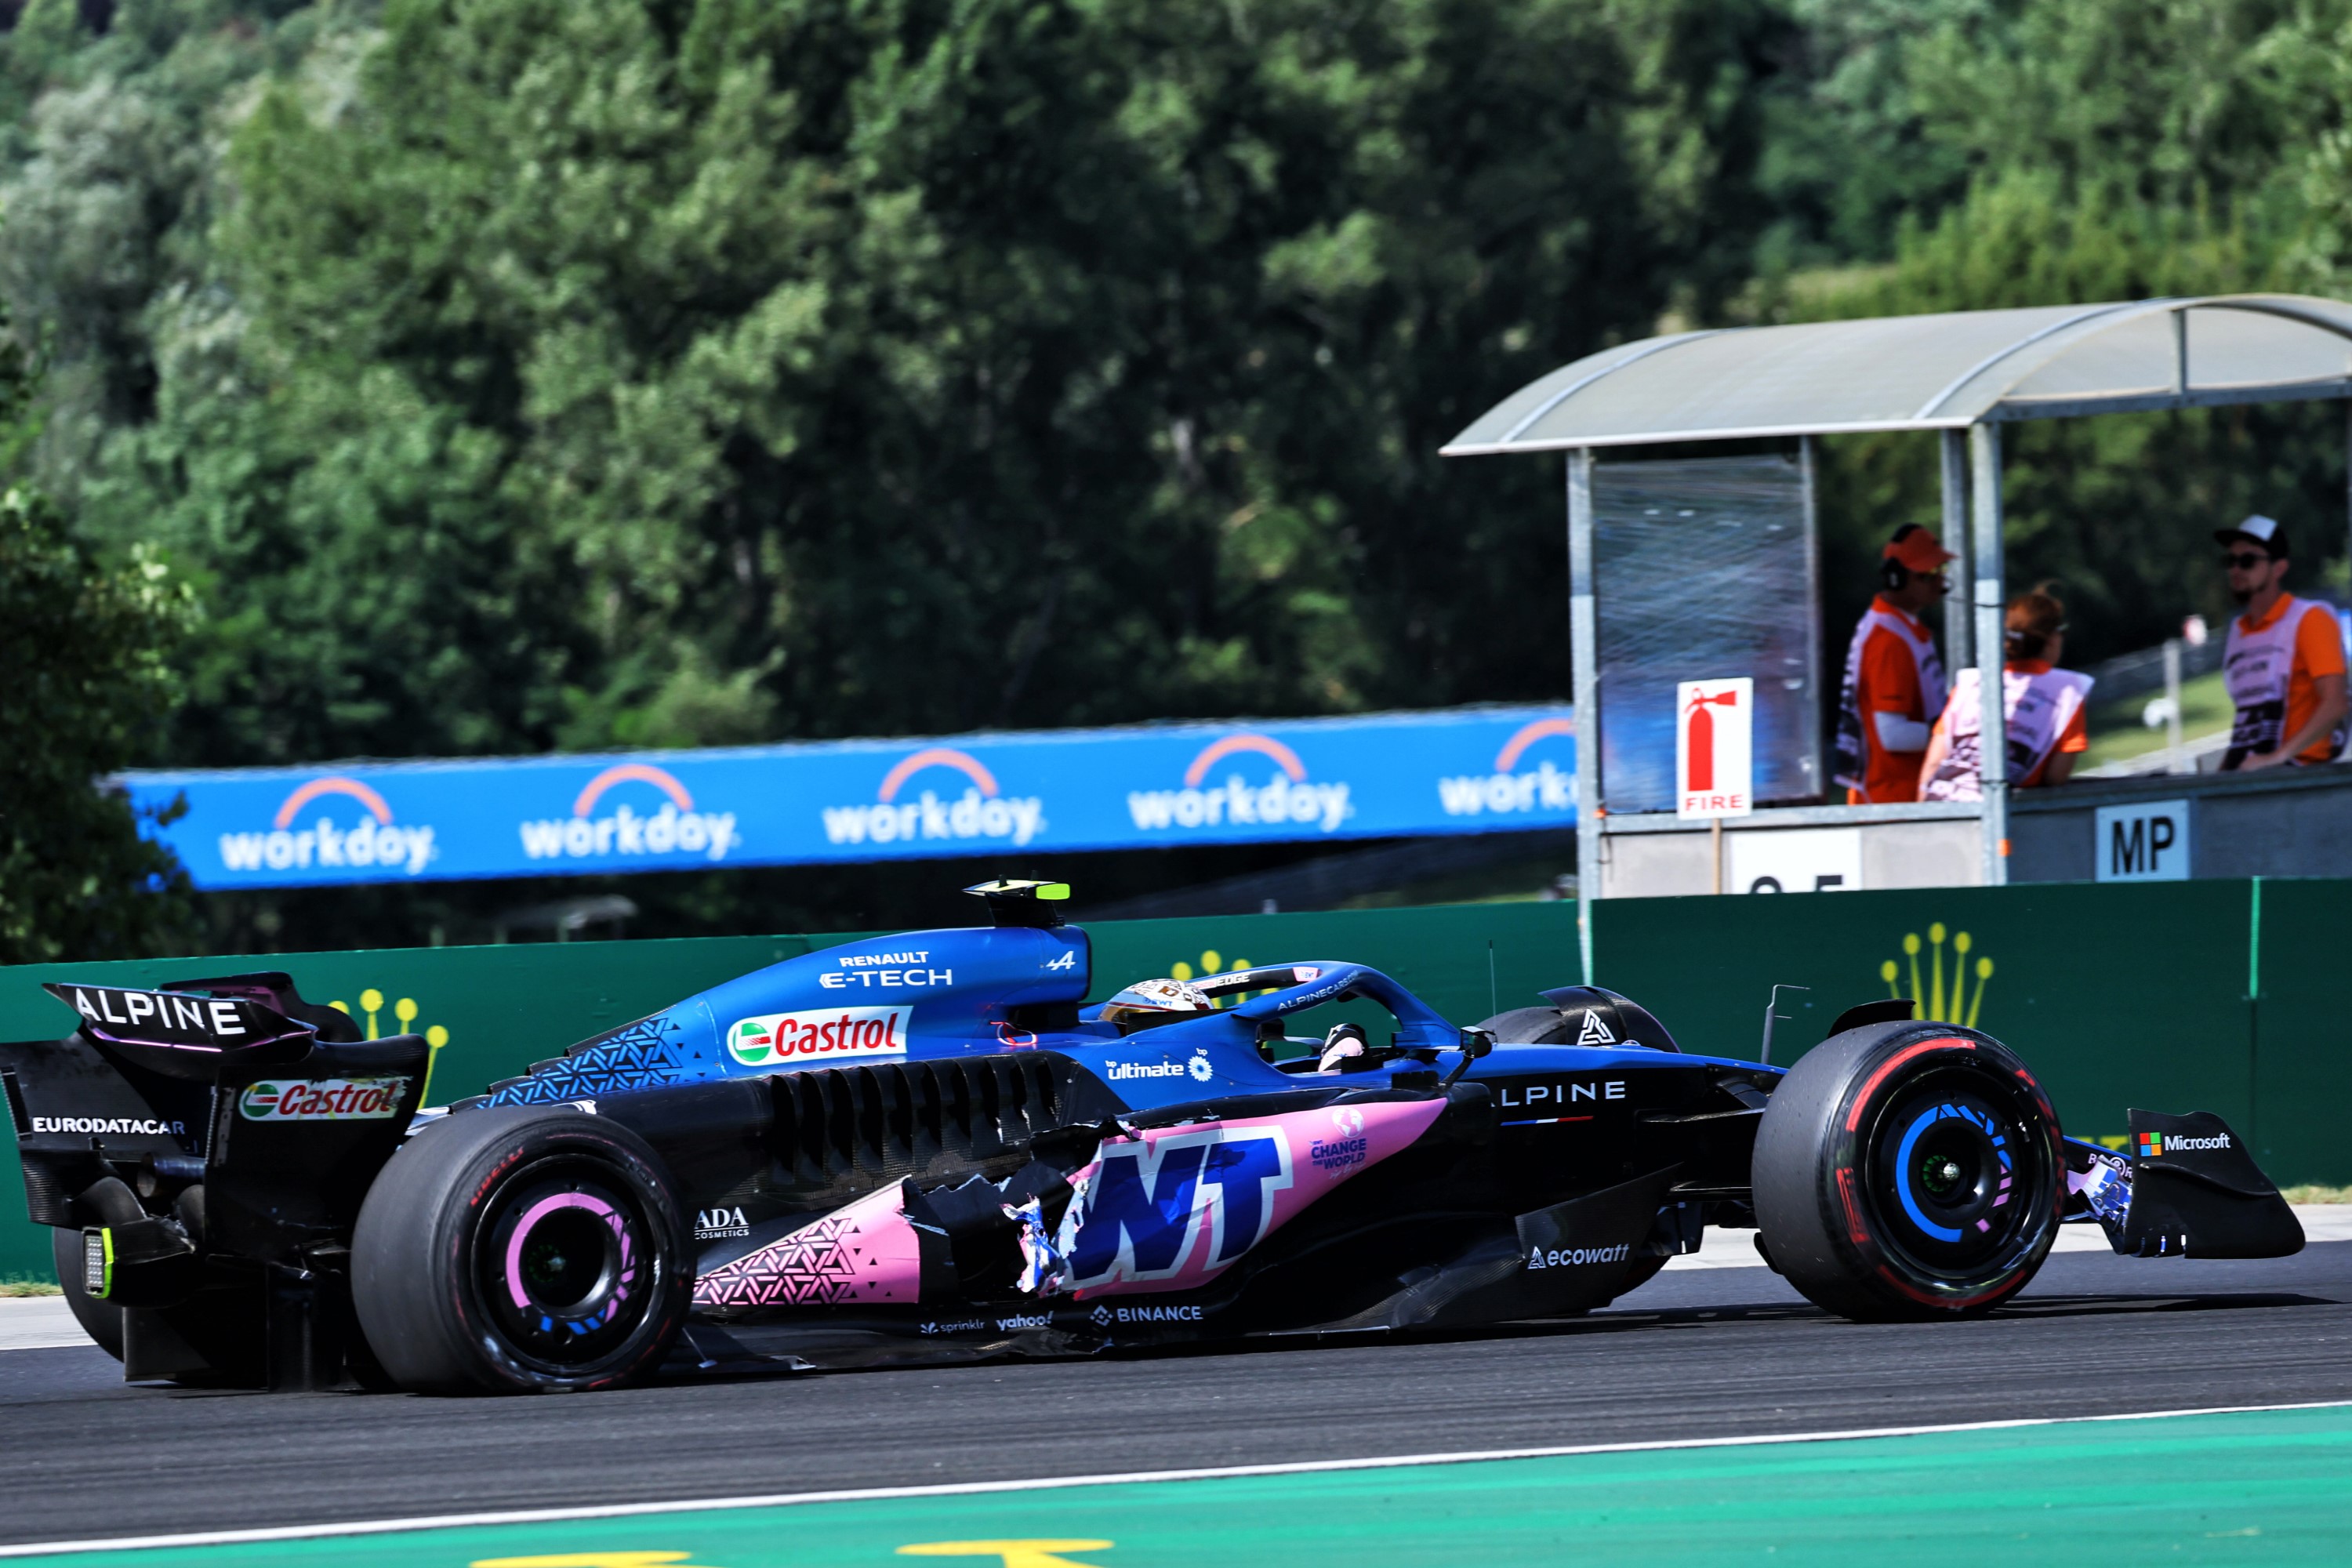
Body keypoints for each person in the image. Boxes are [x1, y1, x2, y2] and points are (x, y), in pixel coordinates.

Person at [1918, 587, 2092, 800]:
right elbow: (2055, 777)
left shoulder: (1969, 684)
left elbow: (1933, 765)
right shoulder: (2069, 691)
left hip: (1943, 807)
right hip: (2003, 820)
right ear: (2053, 639)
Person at [2216, 514, 2347, 771]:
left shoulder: (2310, 619)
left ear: (2279, 568)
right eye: (2230, 561)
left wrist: (2277, 757)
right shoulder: (2238, 633)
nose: (2236, 570)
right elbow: (2248, 726)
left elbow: (2336, 703)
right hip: (2253, 781)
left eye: (2248, 560)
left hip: (2299, 781)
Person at [1835, 524, 1953, 802]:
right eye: (1929, 574)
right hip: (1891, 798)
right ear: (1898, 579)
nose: (1939, 581)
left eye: (1941, 571)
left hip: (1902, 794)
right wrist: (1955, 735)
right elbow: (1894, 735)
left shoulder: (1902, 628)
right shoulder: (1889, 641)